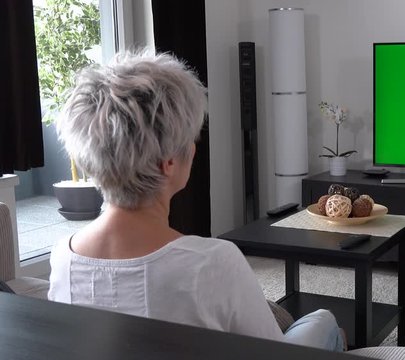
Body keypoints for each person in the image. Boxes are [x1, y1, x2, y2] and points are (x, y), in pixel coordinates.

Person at [48, 50, 344, 352]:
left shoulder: (63, 256)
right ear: (169, 163)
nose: (193, 146)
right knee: (324, 322)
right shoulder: (213, 262)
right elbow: (272, 353)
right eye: (190, 138)